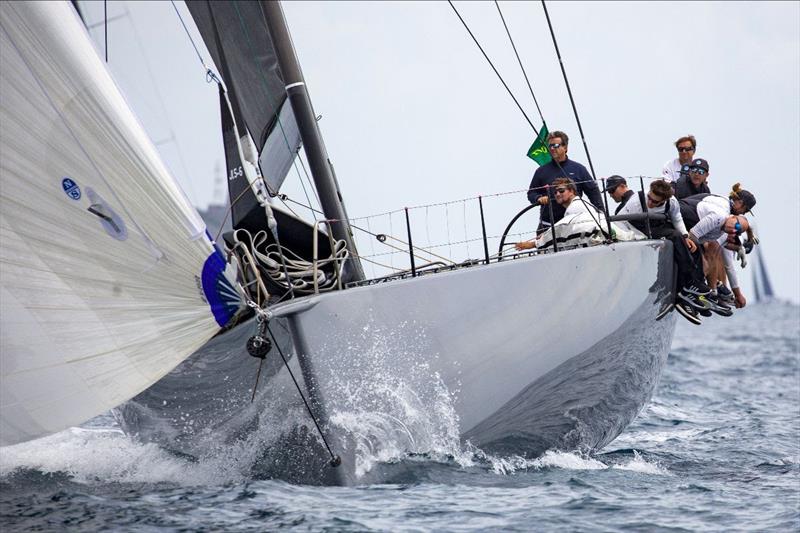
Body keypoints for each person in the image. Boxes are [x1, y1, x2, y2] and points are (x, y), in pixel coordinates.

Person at [680, 184, 757, 309]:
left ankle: (707, 290)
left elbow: (720, 257)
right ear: (739, 203)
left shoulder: (727, 216)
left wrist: (713, 292)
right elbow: (728, 264)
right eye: (746, 210)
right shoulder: (724, 215)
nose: (744, 213)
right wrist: (737, 294)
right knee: (708, 257)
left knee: (711, 255)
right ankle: (688, 289)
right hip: (686, 217)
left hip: (693, 223)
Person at [527, 131, 603, 234]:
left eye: (556, 145)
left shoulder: (579, 169)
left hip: (574, 225)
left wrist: (602, 215)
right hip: (548, 226)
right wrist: (538, 198)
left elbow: (593, 192)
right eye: (550, 146)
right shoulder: (541, 171)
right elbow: (531, 193)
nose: (552, 149)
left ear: (565, 147)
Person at [516, 177, 603, 250]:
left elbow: (560, 230)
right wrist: (545, 234)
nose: (557, 194)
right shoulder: (579, 204)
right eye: (555, 192)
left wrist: (533, 244)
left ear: (571, 191)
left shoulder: (576, 207)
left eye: (561, 191)